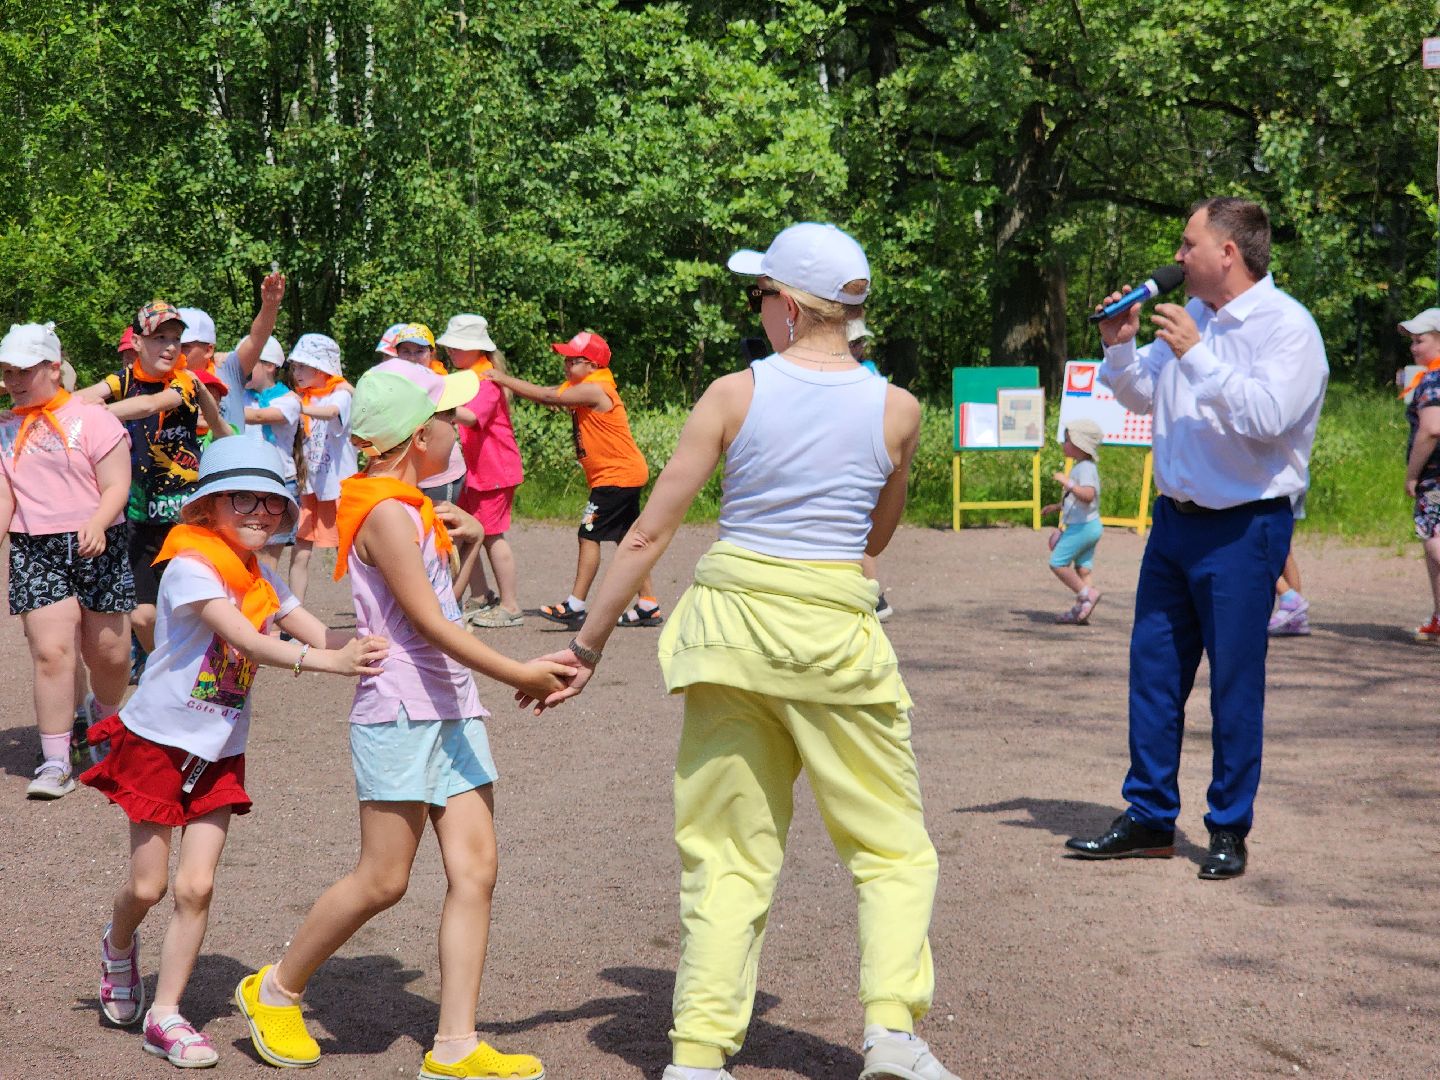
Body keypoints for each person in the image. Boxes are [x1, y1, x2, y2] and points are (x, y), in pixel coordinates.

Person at [521, 222, 957, 1080]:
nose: (757, 310)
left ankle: (696, 1054)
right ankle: (893, 1036)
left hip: (732, 636)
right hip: (835, 639)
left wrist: (588, 646)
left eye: (760, 296)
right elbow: (877, 532)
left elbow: (647, 534)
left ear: (789, 306)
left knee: (727, 853)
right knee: (891, 849)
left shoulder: (733, 393)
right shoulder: (897, 409)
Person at [233, 362, 570, 1080]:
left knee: (477, 871)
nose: (460, 425)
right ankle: (276, 988)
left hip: (450, 706)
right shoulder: (386, 513)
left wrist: (471, 538)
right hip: (401, 710)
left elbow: (437, 606)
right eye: (447, 418)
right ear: (419, 438)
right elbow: (427, 623)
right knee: (384, 879)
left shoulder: (408, 506)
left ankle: (454, 1046)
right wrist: (523, 673)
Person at [79, 437, 386, 1067]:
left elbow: (322, 632)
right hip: (158, 742)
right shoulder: (193, 566)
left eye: (272, 502)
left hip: (219, 750)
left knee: (197, 887)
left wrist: (393, 634)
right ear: (209, 506)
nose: (260, 513)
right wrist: (331, 662)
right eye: (243, 498)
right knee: (149, 886)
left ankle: (166, 1015)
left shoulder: (262, 574)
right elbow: (249, 639)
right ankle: (117, 943)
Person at [1066, 197, 1328, 880]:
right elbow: (1139, 396)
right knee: (1153, 676)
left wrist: (1200, 355)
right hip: (1174, 524)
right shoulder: (1195, 321)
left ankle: (1227, 829)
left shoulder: (1287, 328)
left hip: (1245, 529)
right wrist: (1119, 343)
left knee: (1234, 686)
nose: (1177, 258)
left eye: (1188, 244)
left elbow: (1269, 419)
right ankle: (1150, 817)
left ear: (1227, 253)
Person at [0, 322, 135, 799]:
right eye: (7, 371)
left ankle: (100, 714)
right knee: (52, 652)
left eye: (24, 370)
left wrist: (98, 521)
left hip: (99, 541)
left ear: (54, 368)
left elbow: (118, 484)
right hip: (37, 548)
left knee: (111, 654)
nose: (13, 380)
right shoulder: (5, 429)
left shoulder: (94, 419)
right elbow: (5, 499)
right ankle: (56, 761)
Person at [76, 301, 228, 657]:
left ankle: (206, 666)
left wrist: (100, 413)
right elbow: (83, 396)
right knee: (142, 615)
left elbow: (150, 405)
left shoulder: (185, 380)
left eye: (176, 338)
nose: (171, 346)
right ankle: (164, 666)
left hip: (186, 517)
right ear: (138, 343)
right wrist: (53, 407)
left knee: (194, 605)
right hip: (140, 517)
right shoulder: (123, 380)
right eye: (160, 337)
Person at [486, 331, 663, 628]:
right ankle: (647, 604)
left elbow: (545, 395)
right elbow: (554, 391)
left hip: (615, 477)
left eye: (573, 360)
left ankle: (575, 605)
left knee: (588, 534)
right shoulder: (585, 386)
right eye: (565, 359)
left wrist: (502, 379)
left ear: (592, 364)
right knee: (625, 538)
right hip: (623, 474)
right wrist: (560, 396)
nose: (566, 365)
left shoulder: (595, 390)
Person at [438, 314, 526, 628]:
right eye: (449, 345)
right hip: (474, 471)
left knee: (491, 536)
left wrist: (435, 404)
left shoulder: (485, 381)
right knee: (466, 532)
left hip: (494, 471)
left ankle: (511, 605)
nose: (451, 350)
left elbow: (473, 418)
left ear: (477, 349)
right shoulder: (464, 376)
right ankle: (480, 596)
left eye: (458, 346)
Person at [177, 271, 286, 435]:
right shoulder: (162, 376)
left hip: (228, 458)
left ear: (208, 350)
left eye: (185, 346)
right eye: (172, 342)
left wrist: (269, 306)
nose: (175, 350)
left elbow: (256, 340)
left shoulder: (228, 370)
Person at [289, 333, 353, 604]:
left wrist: (296, 407)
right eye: (294, 366)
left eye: (303, 366)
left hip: (338, 487)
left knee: (356, 553)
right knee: (300, 552)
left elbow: (331, 413)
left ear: (322, 367)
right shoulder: (301, 397)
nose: (297, 372)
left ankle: (379, 612)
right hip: (311, 487)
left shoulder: (342, 393)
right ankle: (291, 618)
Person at [242, 336, 304, 567]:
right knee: (244, 553)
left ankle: (266, 601)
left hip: (278, 482)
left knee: (267, 559)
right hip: (247, 480)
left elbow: (259, 417)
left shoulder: (289, 400)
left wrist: (220, 411)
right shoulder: (242, 395)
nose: (243, 368)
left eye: (250, 361)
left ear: (270, 366)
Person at [848, 318, 893, 620]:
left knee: (858, 531)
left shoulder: (866, 371)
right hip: (855, 454)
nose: (860, 346)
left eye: (861, 341)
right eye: (855, 342)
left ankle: (875, 598)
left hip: (861, 455)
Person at [392, 323, 469, 504]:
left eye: (419, 351)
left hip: (441, 475)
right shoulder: (391, 384)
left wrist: (430, 402)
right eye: (406, 351)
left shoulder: (441, 382)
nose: (412, 358)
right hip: (408, 474)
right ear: (397, 355)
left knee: (443, 530)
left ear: (431, 353)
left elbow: (471, 418)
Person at [1399, 308, 1440, 643]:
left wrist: (1412, 475)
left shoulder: (1433, 379)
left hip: (1435, 478)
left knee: (1435, 544)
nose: (1414, 348)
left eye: (1420, 340)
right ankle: (1438, 617)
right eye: (1411, 341)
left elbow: (1431, 430)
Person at [1040, 418, 1104, 624]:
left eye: (1067, 440)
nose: (1063, 444)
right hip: (1091, 525)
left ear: (1079, 445)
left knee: (1057, 563)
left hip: (1082, 528)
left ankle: (1087, 594)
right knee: (1083, 569)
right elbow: (1079, 501)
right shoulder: (1083, 467)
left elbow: (1087, 495)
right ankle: (1082, 610)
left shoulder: (1085, 468)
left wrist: (1066, 482)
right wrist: (1057, 507)